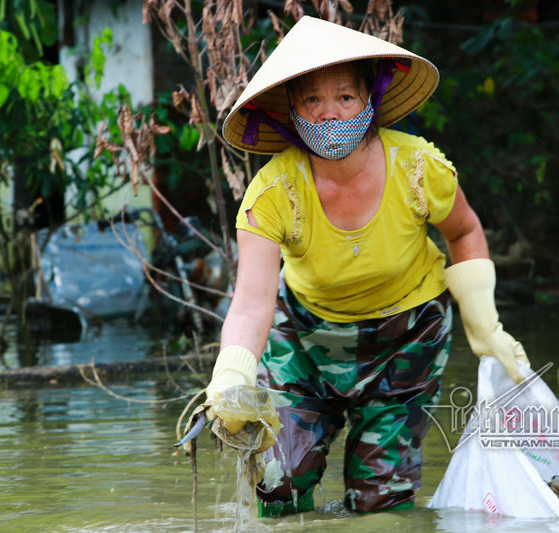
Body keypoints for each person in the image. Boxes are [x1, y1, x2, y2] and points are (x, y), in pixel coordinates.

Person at [204, 16, 530, 516]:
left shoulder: (419, 168)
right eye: (312, 100)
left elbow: (464, 232)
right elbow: (251, 303)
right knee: (278, 485)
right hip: (307, 339)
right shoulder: (272, 194)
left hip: (407, 337)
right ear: (292, 111)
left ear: (370, 101)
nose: (330, 114)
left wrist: (484, 324)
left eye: (345, 97)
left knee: (380, 501)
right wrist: (231, 376)